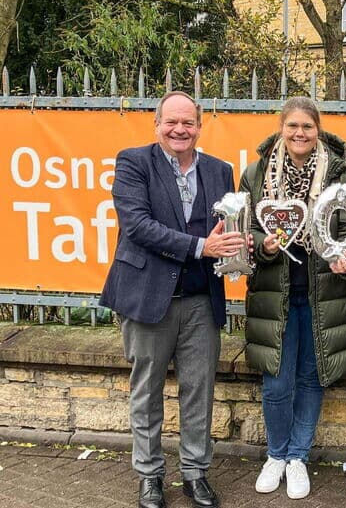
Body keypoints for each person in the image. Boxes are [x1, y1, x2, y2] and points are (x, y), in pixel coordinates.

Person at [101, 91, 246, 508]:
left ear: (200, 126)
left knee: (199, 391)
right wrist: (202, 246)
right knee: (145, 392)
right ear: (157, 124)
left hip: (201, 300)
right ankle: (149, 476)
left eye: (188, 123)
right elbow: (138, 226)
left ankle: (195, 474)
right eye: (172, 122)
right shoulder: (133, 162)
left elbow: (229, 231)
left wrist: (240, 249)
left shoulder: (221, 170)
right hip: (148, 299)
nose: (180, 130)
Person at [240, 97, 346, 500]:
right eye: (292, 126)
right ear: (282, 128)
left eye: (307, 127)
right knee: (277, 380)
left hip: (323, 294)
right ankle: (275, 455)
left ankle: (297, 457)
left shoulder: (342, 174)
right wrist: (265, 245)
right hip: (274, 294)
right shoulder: (256, 174)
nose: (299, 134)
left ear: (318, 129)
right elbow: (241, 231)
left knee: (311, 378)